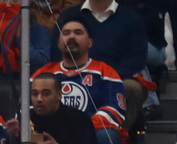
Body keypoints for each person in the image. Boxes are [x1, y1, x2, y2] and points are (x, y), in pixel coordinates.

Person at [33, 17, 127, 144]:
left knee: (107, 138)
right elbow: (28, 107)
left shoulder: (105, 71)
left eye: (78, 33)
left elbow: (116, 109)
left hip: (89, 132)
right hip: (50, 130)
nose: (71, 37)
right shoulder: (44, 73)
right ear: (59, 42)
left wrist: (83, 126)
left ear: (90, 42)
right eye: (66, 33)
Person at [56, 2, 148, 131]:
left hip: (117, 78)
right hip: (74, 75)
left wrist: (103, 77)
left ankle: (117, 136)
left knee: (131, 88)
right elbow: (56, 53)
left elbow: (137, 58)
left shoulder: (132, 17)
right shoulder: (69, 15)